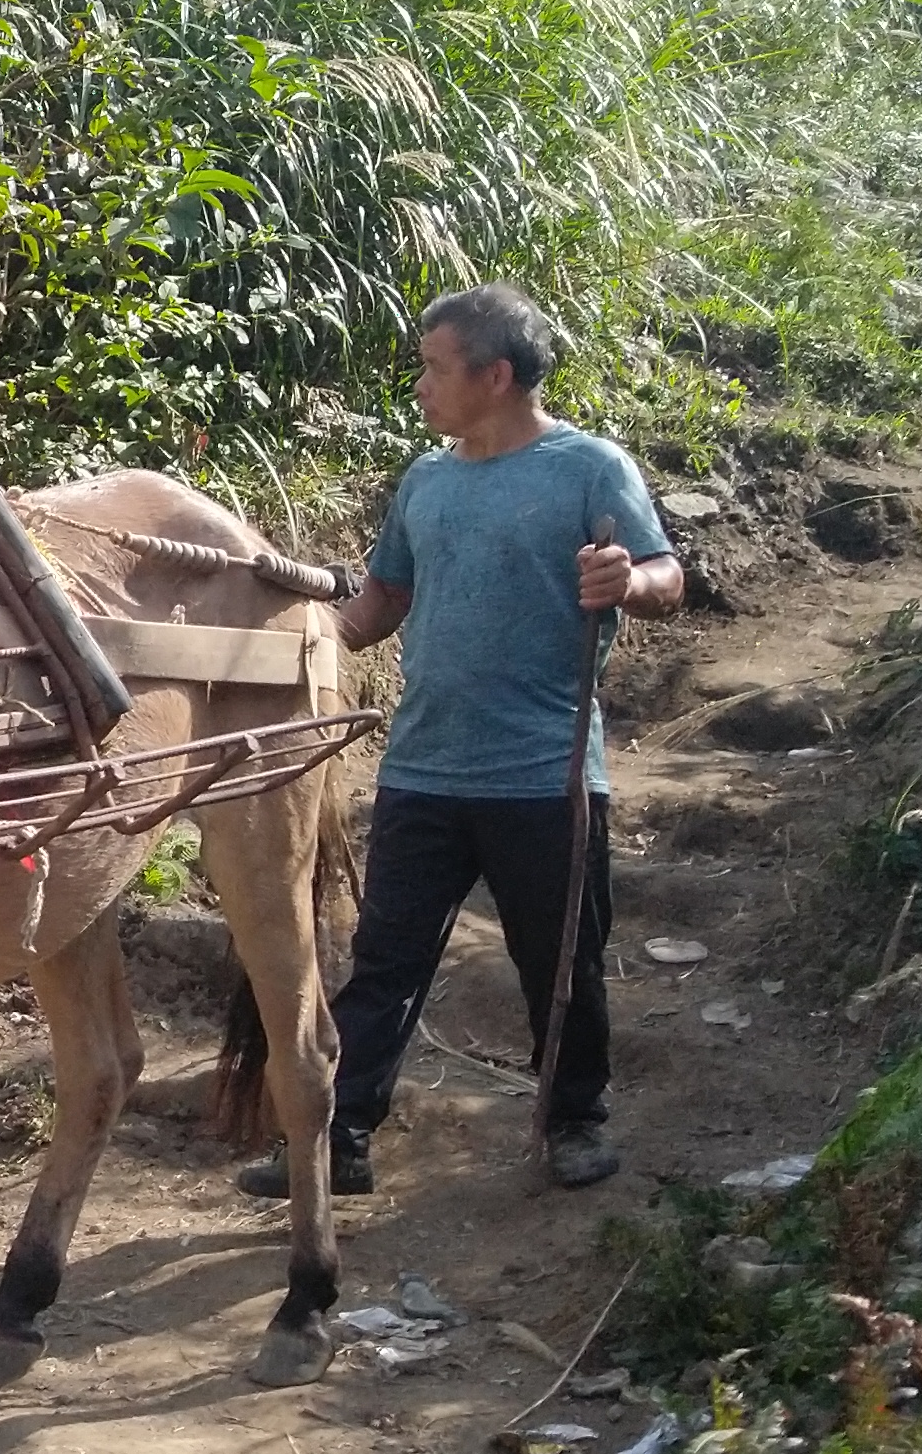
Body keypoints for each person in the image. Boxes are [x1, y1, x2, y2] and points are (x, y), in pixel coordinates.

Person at [239, 282, 682, 1200]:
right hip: (423, 765)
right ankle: (342, 1136)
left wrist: (625, 582)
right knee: (387, 959)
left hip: (543, 774)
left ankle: (572, 1120)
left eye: (436, 370)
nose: (421, 388)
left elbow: (665, 574)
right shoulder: (427, 480)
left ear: (498, 375)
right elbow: (381, 602)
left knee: (558, 957)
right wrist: (287, 645)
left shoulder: (589, 469)